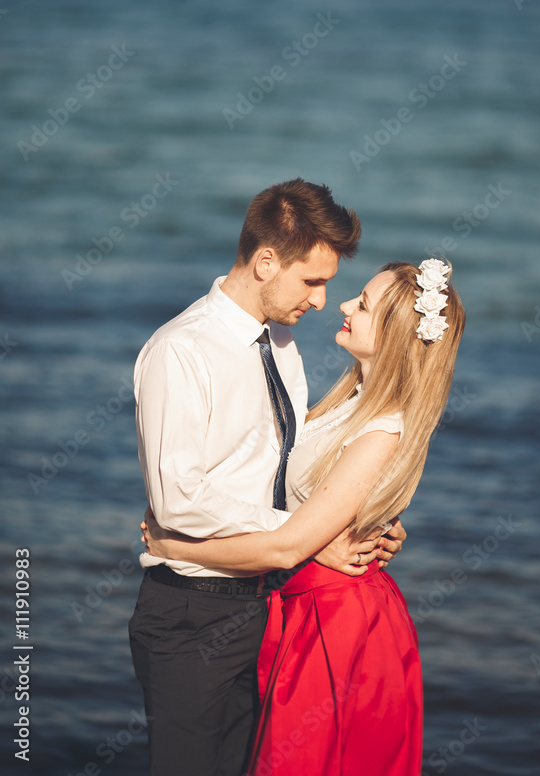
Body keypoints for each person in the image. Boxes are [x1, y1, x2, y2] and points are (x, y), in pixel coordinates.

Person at [143, 256, 465, 776]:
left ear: (395, 336)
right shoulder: (352, 399)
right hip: (296, 604)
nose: (339, 304)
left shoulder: (381, 428)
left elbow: (291, 542)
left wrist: (174, 546)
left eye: (362, 304)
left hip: (337, 620)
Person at [128, 178, 406, 776]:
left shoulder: (283, 344)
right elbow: (179, 501)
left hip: (268, 608)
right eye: (312, 280)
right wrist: (305, 535)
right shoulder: (181, 351)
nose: (324, 299)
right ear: (265, 261)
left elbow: (286, 466)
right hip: (190, 613)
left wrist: (361, 517)